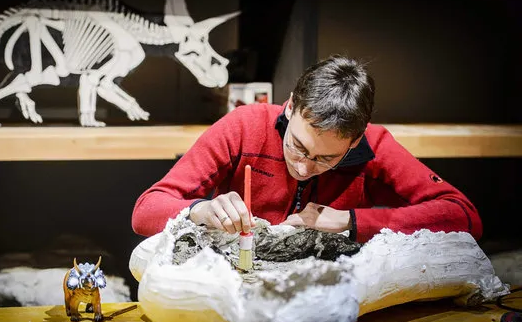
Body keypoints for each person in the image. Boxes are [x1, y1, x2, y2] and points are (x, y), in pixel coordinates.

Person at [131, 54, 483, 243]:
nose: (303, 167)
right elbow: (145, 211)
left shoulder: (375, 144)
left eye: (326, 158)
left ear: (356, 140)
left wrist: (350, 221)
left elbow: (464, 215)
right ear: (290, 107)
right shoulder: (243, 126)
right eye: (298, 146)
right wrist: (201, 210)